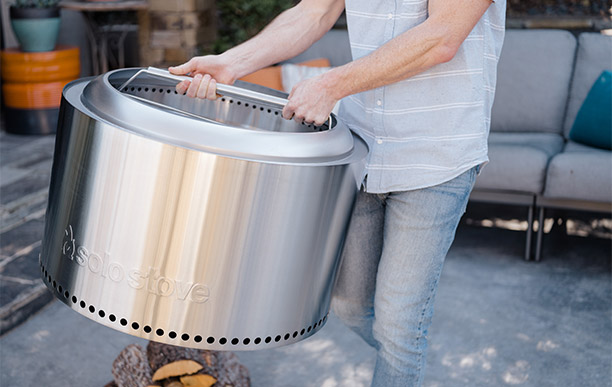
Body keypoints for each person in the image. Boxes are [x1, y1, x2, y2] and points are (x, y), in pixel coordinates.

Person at [169, 0, 506, 385]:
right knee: (349, 305)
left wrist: (331, 85)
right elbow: (312, 13)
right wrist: (233, 61)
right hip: (361, 149)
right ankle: (406, 355)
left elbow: (442, 37)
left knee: (399, 324)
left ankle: (404, 352)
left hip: (435, 156)